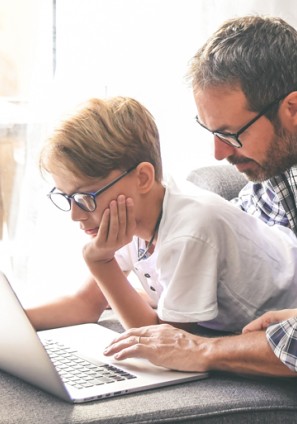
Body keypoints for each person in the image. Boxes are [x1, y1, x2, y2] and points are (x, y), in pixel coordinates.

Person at [103, 15, 297, 376]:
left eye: (231, 134)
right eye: (210, 131)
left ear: (293, 109)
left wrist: (205, 350)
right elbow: (245, 247)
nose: (219, 154)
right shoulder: (276, 176)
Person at [29, 96, 297, 347]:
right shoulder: (133, 212)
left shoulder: (190, 230)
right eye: (67, 198)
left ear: (143, 178)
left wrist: (100, 262)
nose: (75, 214)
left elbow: (162, 344)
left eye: (85, 197)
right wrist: (16, 319)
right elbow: (85, 304)